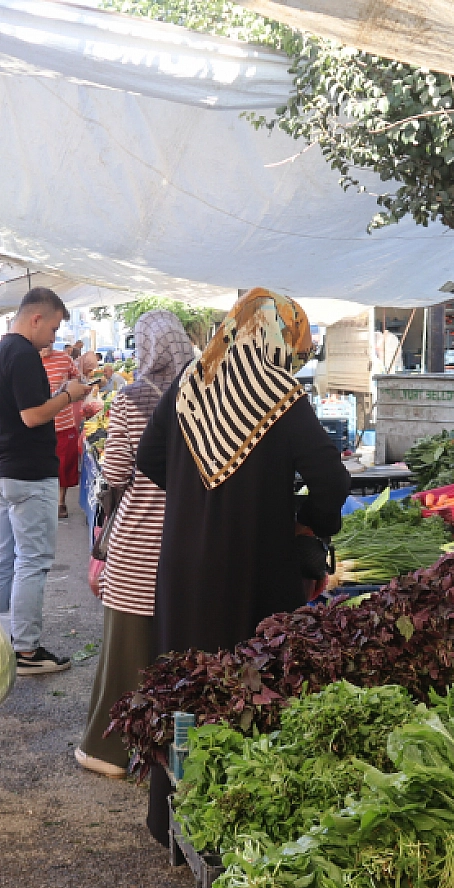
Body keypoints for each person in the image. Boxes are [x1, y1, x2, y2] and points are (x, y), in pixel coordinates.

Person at [135, 288, 349, 842]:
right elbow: (332, 479)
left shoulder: (188, 383)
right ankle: (236, 828)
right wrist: (306, 522)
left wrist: (194, 497)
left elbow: (148, 458)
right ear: (282, 337)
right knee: (250, 688)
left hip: (182, 569)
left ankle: (175, 819)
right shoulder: (279, 393)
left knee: (183, 688)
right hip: (257, 570)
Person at [75, 311, 193, 779]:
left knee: (126, 650)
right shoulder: (203, 397)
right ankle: (172, 750)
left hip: (140, 536)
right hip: (187, 536)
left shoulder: (131, 399)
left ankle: (111, 752)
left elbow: (118, 472)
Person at [0, 288, 93, 675]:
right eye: (55, 327)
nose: (55, 337)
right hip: (26, 471)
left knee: (1, 556)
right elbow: (31, 416)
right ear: (36, 319)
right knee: (32, 559)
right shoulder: (24, 354)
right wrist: (69, 395)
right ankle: (26, 650)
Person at [40, 341, 83, 518]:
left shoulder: (64, 358)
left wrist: (71, 386)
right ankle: (42, 503)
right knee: (40, 466)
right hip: (40, 423)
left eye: (51, 341)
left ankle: (60, 502)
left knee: (64, 465)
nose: (48, 345)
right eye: (45, 342)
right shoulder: (28, 360)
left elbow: (77, 378)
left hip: (64, 422)